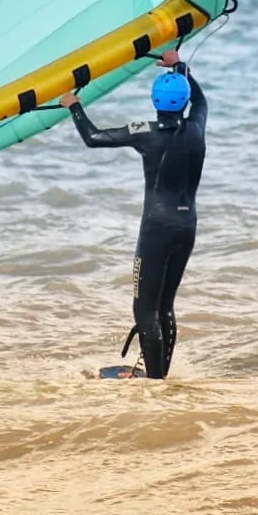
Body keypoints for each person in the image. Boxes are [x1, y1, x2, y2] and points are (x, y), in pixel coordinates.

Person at [59, 49, 206, 379]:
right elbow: (201, 103)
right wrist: (180, 67)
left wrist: (74, 105)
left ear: (154, 100)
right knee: (165, 305)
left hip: (156, 228)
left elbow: (94, 138)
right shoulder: (197, 129)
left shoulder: (145, 132)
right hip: (187, 226)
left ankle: (153, 385)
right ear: (182, 103)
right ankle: (160, 378)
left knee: (144, 311)